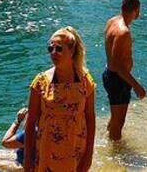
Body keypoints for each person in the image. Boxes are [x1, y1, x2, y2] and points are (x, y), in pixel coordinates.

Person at [23, 27, 96, 172]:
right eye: (51, 49)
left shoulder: (84, 80)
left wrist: (89, 155)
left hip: (75, 150)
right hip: (47, 152)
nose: (54, 53)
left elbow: (90, 118)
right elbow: (30, 122)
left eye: (59, 49)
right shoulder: (41, 82)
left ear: (72, 51)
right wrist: (28, 158)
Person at [103, 0, 146, 141]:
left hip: (109, 74)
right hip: (117, 79)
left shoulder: (112, 21)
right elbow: (118, 66)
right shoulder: (123, 32)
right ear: (136, 10)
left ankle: (108, 141)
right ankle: (115, 155)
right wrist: (136, 85)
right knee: (119, 122)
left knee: (115, 117)